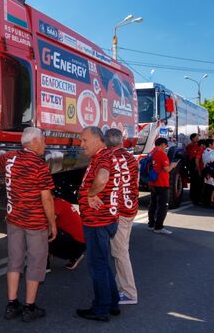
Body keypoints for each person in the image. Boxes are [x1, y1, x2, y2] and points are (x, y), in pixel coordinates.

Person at [0, 127, 57, 323]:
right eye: (43, 141)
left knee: (14, 261)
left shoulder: (9, 158)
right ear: (33, 142)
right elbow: (47, 199)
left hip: (14, 219)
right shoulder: (39, 165)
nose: (45, 144)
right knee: (35, 263)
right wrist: (52, 223)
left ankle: (11, 304)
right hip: (35, 222)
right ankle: (29, 307)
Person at [74, 127, 120, 322]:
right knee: (103, 262)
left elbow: (102, 178)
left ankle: (101, 309)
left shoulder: (102, 157)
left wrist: (90, 194)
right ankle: (112, 302)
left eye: (84, 140)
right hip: (104, 219)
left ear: (97, 139)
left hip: (97, 221)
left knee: (97, 265)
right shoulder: (105, 156)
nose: (81, 144)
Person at [105, 128, 139, 305]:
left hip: (118, 212)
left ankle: (129, 292)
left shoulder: (109, 159)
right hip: (130, 209)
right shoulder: (131, 158)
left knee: (120, 252)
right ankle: (122, 286)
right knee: (122, 250)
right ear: (121, 141)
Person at [148, 138, 177, 234]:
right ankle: (158, 227)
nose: (166, 147)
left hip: (153, 182)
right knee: (163, 206)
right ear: (162, 144)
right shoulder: (162, 154)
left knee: (153, 204)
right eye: (166, 145)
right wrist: (173, 165)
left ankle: (151, 224)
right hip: (162, 183)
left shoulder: (151, 152)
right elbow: (167, 169)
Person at [48, 198, 86, 270]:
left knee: (43, 232)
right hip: (80, 242)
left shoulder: (55, 204)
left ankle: (44, 265)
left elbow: (49, 224)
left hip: (76, 243)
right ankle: (74, 257)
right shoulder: (60, 202)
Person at [187, 133, 202, 205]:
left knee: (194, 183)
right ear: (192, 139)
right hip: (194, 165)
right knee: (196, 183)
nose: (198, 139)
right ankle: (195, 198)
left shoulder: (192, 146)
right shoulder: (191, 146)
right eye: (196, 137)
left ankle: (194, 197)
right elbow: (196, 159)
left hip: (192, 165)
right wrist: (198, 168)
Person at [201, 139, 214, 208]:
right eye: (213, 143)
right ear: (210, 145)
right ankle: (210, 201)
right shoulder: (212, 152)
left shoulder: (205, 151)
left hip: (206, 170)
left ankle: (206, 201)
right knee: (211, 186)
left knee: (207, 186)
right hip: (209, 170)